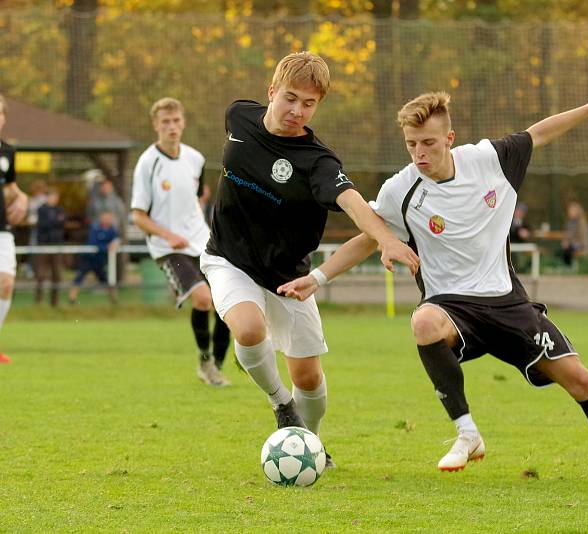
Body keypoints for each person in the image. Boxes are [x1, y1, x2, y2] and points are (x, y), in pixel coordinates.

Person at [277, 89, 588, 484]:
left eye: (429, 143)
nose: (419, 153)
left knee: (581, 380)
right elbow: (367, 238)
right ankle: (467, 433)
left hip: (508, 304)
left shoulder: (490, 160)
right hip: (452, 307)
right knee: (423, 322)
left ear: (449, 139)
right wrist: (317, 278)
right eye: (411, 144)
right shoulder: (401, 189)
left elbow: (539, 133)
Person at [199, 51, 419, 467]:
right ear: (271, 92)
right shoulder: (239, 116)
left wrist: (386, 240)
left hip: (289, 275)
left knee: (310, 379)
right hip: (227, 258)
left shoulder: (317, 162)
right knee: (247, 329)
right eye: (290, 98)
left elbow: (353, 203)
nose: (296, 111)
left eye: (309, 103)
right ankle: (281, 405)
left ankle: (309, 443)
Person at [131, 97, 232, 386]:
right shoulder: (147, 164)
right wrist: (168, 234)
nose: (172, 127)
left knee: (226, 300)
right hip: (167, 248)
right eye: (165, 122)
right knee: (203, 299)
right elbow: (138, 216)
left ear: (183, 122)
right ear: (156, 125)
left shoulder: (195, 159)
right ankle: (205, 361)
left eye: (176, 121)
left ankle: (216, 365)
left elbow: (199, 196)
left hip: (201, 241)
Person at [0, 93, 29, 364]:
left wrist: (22, 198)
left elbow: (10, 188)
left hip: (2, 227)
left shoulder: (8, 151)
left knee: (6, 283)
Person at [68, 210, 119, 305]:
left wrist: (116, 244)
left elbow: (116, 241)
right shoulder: (95, 228)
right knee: (79, 277)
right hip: (88, 258)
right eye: (105, 218)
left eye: (109, 218)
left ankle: (114, 300)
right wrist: (107, 247)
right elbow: (93, 243)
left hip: (99, 260)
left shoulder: (112, 230)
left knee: (106, 280)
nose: (107, 220)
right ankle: (72, 300)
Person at [34, 187, 65, 307]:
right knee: (41, 275)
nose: (54, 199)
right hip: (44, 245)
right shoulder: (41, 209)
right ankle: (39, 302)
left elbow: (61, 223)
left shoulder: (60, 209)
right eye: (51, 196)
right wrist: (55, 221)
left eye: (55, 197)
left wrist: (53, 222)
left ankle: (55, 303)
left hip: (56, 245)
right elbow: (43, 225)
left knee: (57, 274)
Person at [561, 201, 588, 267]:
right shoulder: (569, 222)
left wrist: (569, 241)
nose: (569, 212)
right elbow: (567, 234)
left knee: (569, 247)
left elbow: (582, 237)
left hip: (581, 245)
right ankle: (566, 265)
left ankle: (569, 266)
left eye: (572, 210)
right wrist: (565, 241)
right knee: (564, 246)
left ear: (578, 212)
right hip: (573, 243)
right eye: (569, 210)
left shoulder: (582, 223)